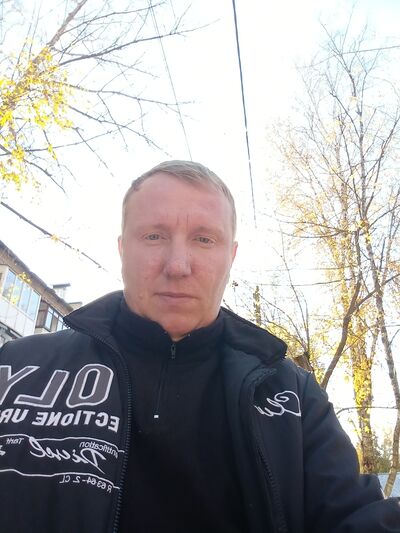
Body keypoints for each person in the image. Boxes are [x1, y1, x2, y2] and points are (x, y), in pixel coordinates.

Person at [0, 160, 399, 533]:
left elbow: (355, 516)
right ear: (122, 249)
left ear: (231, 256)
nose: (178, 266)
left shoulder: (293, 396)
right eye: (154, 236)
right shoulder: (16, 370)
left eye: (204, 239)